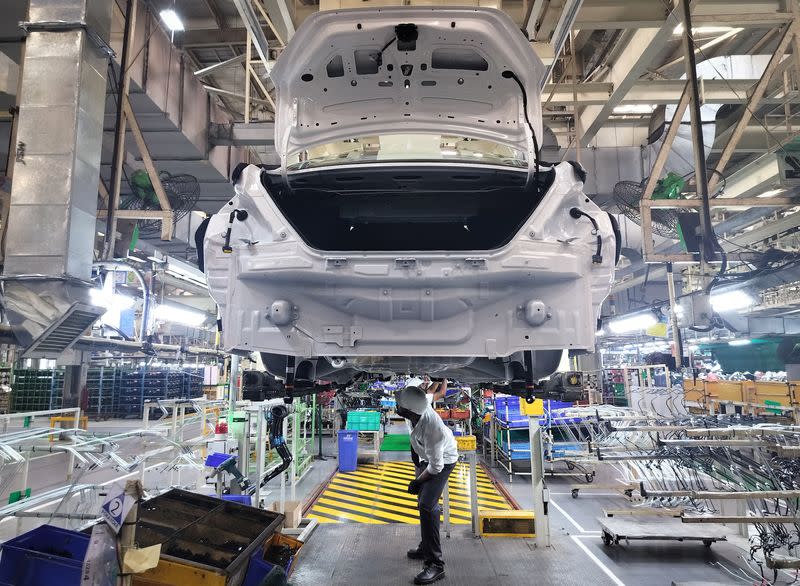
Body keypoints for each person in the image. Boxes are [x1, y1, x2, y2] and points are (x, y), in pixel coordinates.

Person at [395, 385, 459, 585]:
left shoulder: (434, 429)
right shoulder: (421, 405)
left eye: (400, 405)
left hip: (442, 461)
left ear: (409, 411)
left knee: (427, 505)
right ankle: (426, 547)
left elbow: (437, 466)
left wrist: (417, 481)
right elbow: (434, 392)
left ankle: (435, 565)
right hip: (426, 458)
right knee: (423, 503)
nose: (397, 406)